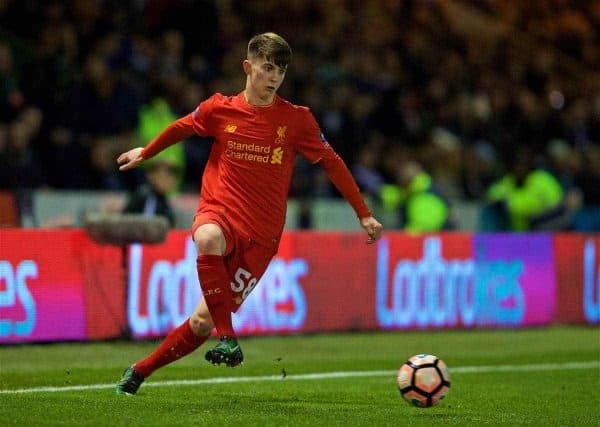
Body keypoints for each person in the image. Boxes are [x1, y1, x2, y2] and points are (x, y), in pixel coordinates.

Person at [114, 32, 383, 395]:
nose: (274, 77)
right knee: (207, 237)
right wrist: (147, 152)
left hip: (262, 236)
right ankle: (228, 337)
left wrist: (363, 214)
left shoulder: (297, 120)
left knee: (199, 321)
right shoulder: (219, 109)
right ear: (248, 67)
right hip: (219, 211)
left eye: (281, 71)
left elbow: (332, 164)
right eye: (268, 67)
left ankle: (140, 371)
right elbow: (183, 126)